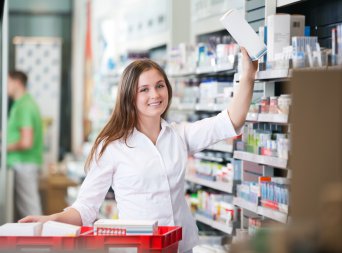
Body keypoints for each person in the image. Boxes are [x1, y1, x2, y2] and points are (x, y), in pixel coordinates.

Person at [20, 48, 258, 252]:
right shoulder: (112, 146)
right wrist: (50, 219)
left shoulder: (179, 135)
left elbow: (231, 121)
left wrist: (249, 74)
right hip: (139, 247)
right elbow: (85, 208)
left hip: (183, 246)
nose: (154, 94)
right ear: (129, 97)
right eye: (144, 89)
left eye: (159, 86)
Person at [7, 70, 44, 219]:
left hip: (24, 164)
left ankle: (41, 241)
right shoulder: (22, 104)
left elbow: (26, 142)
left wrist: (4, 148)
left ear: (17, 82)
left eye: (7, 81)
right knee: (28, 208)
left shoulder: (24, 106)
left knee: (31, 209)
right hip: (23, 164)